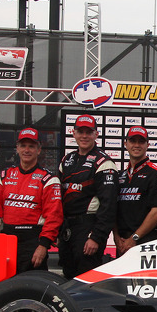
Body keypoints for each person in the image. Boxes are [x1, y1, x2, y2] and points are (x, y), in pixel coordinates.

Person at [0, 127, 63, 274]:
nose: (27, 150)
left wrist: (43, 245)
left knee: (32, 287)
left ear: (39, 149)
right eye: (23, 146)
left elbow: (54, 216)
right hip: (7, 239)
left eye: (31, 146)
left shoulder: (48, 179)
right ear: (17, 148)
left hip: (33, 241)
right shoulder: (5, 176)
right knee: (4, 286)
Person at [59, 114, 118, 280]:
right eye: (80, 131)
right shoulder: (67, 160)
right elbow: (59, 199)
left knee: (86, 280)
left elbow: (109, 205)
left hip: (88, 228)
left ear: (96, 134)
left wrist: (96, 237)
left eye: (88, 132)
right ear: (74, 133)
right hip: (68, 229)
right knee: (68, 277)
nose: (84, 135)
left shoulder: (103, 162)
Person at [113, 126, 157, 257]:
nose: (137, 145)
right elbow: (113, 210)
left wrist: (134, 239)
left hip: (146, 241)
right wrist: (116, 237)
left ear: (147, 145)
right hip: (122, 243)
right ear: (125, 144)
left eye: (141, 142)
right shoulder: (120, 176)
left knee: (146, 279)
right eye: (133, 141)